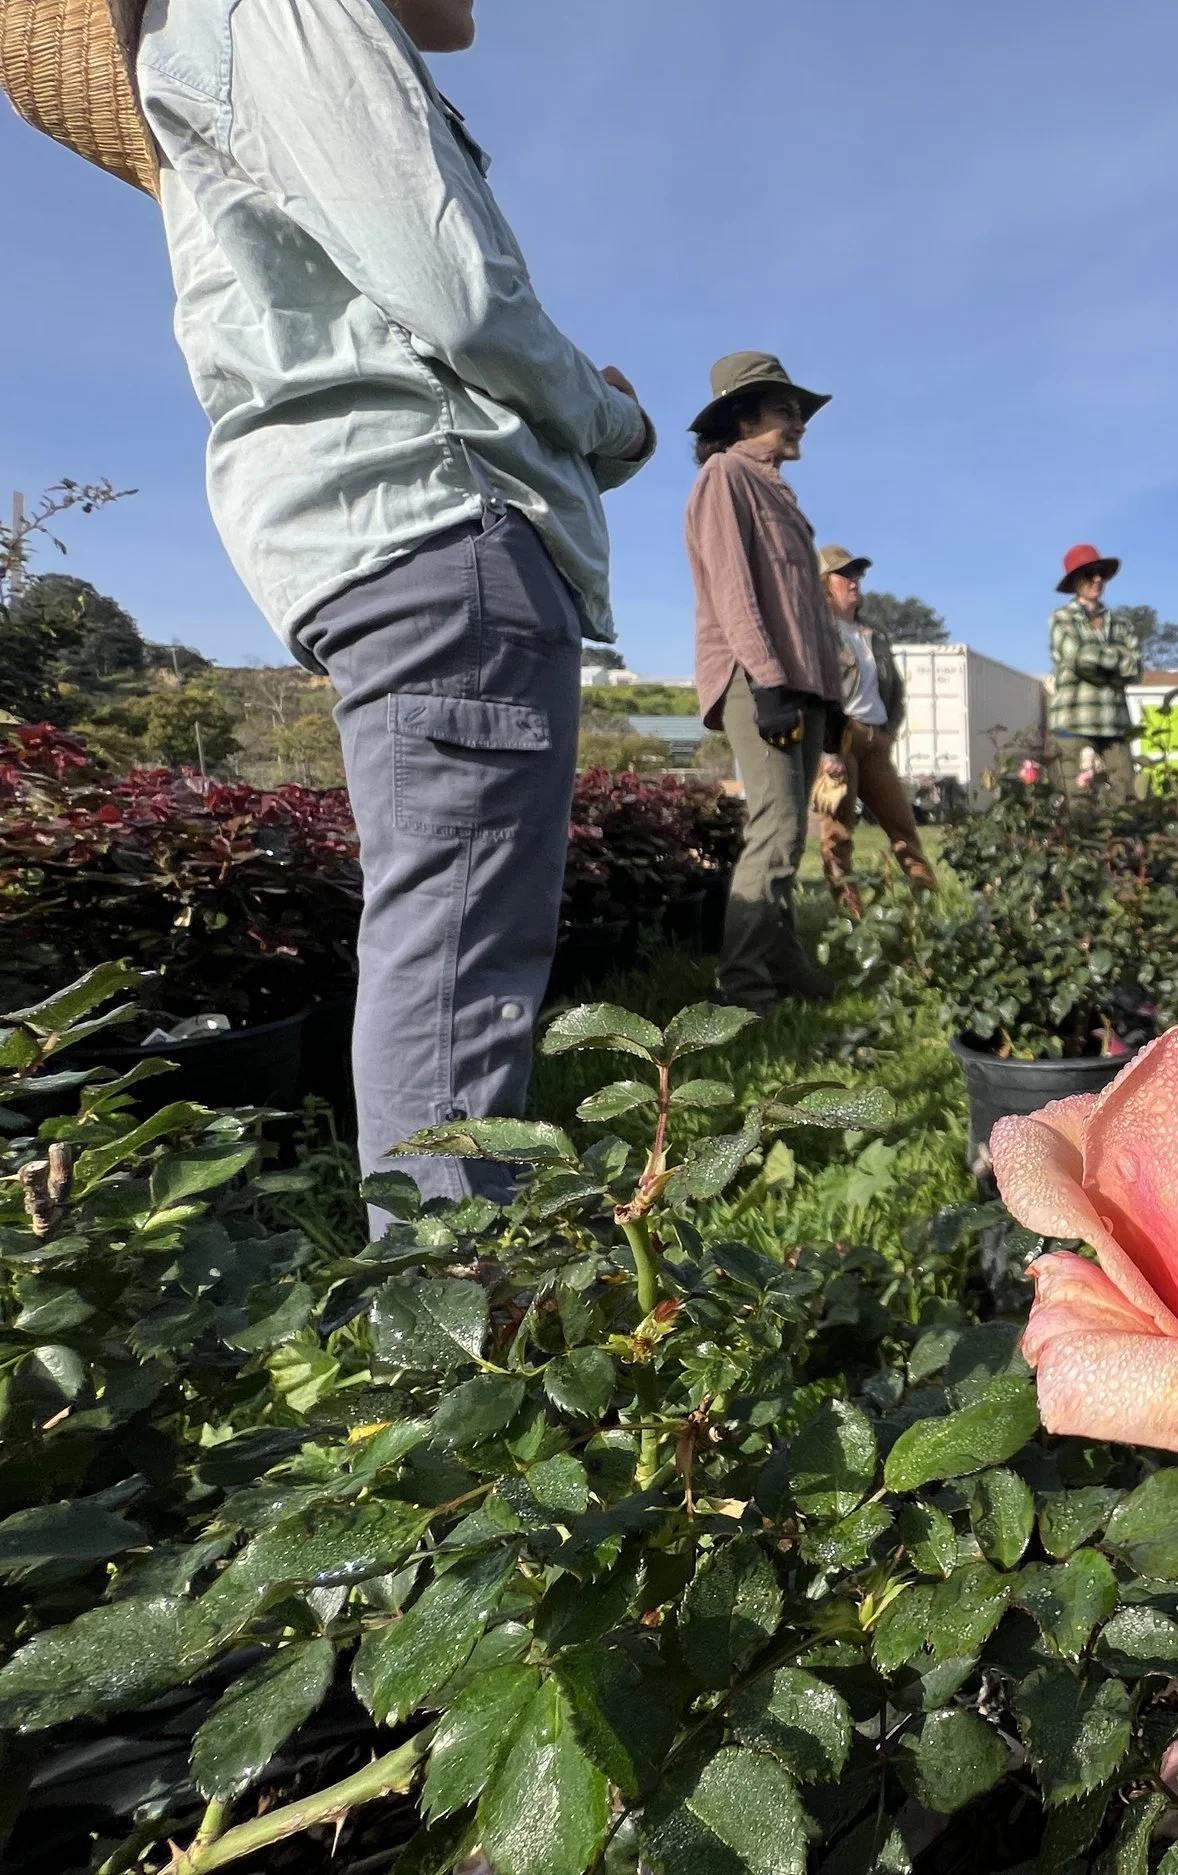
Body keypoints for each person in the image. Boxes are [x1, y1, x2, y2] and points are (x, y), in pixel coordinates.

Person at [56, 0, 656, 1227]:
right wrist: (608, 423)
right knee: (459, 965)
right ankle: (450, 1344)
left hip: (390, 535)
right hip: (443, 514)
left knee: (445, 943)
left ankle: (443, 1314)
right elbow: (458, 296)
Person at [685, 352, 846, 1014]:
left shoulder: (780, 494)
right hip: (760, 680)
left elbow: (807, 613)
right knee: (777, 831)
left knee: (792, 832)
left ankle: (781, 962)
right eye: (785, 408)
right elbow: (734, 591)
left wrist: (828, 697)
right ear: (740, 416)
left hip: (798, 683)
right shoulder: (725, 477)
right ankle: (744, 988)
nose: (798, 420)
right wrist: (772, 682)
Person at [814, 546, 936, 906]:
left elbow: (895, 688)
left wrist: (889, 730)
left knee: (903, 827)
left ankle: (929, 901)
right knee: (838, 834)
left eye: (857, 573)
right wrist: (827, 748)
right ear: (823, 583)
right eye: (844, 574)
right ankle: (850, 914)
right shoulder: (817, 631)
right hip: (841, 739)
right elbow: (816, 693)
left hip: (876, 740)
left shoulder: (875, 633)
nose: (854, 581)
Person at [1046, 545, 1142, 798]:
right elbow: (1079, 659)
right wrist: (1118, 659)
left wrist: (1100, 663)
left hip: (1115, 725)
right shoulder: (1061, 619)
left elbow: (1136, 669)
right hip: (1074, 724)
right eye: (1089, 573)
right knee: (1078, 802)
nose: (1097, 578)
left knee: (1125, 797)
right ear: (1075, 581)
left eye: (1100, 572)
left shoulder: (1121, 623)